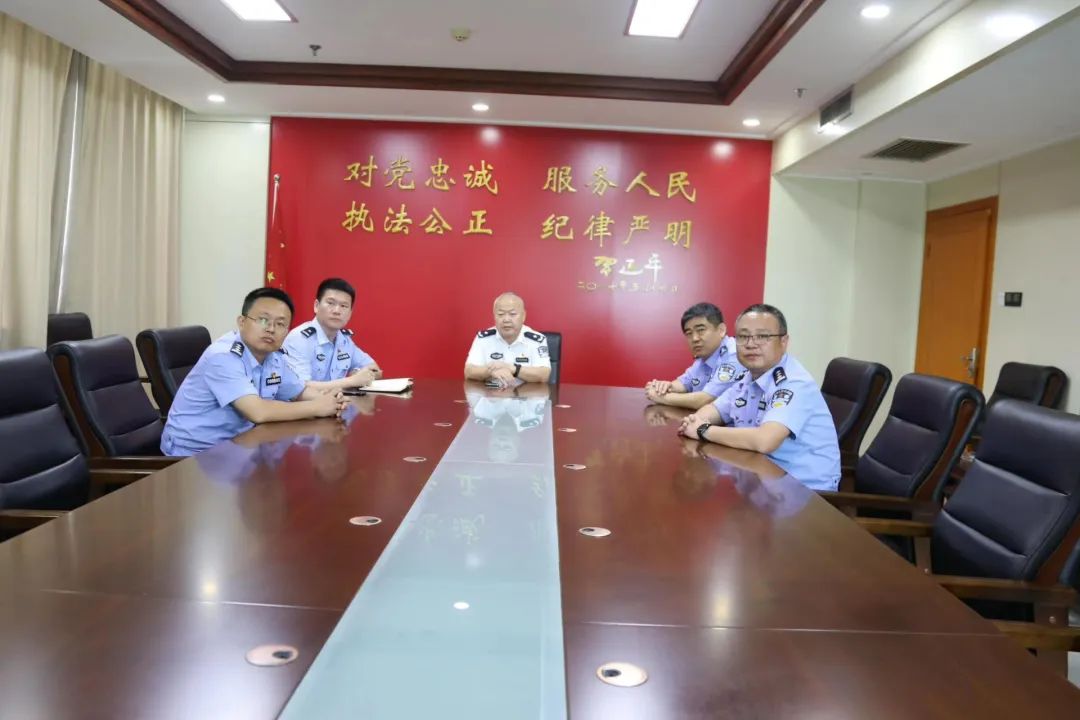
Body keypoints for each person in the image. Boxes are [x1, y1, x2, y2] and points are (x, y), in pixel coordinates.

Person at [161, 287, 347, 456]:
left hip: (239, 445)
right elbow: (257, 411)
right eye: (263, 320)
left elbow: (299, 392)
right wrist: (318, 407)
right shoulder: (223, 356)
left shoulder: (274, 356)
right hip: (194, 454)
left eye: (280, 324)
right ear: (242, 322)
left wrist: (333, 401)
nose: (271, 329)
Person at [678, 303, 840, 491]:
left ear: (784, 342)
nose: (751, 344)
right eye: (743, 336)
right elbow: (714, 409)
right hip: (759, 476)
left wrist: (703, 429)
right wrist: (695, 421)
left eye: (762, 336)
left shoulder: (794, 382)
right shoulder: (749, 377)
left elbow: (765, 441)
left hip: (804, 491)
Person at [283, 277, 382, 392]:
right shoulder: (299, 339)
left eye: (343, 306)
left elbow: (375, 369)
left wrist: (359, 373)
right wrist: (352, 381)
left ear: (350, 313)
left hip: (335, 402)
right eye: (330, 303)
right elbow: (300, 388)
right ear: (316, 306)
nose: (336, 311)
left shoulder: (344, 340)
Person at [645, 302, 745, 410]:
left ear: (721, 330)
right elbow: (683, 383)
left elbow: (705, 400)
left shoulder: (734, 355)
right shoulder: (705, 356)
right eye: (689, 333)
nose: (694, 338)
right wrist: (663, 387)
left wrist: (662, 397)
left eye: (701, 330)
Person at [464, 292, 551, 387]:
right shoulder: (483, 339)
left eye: (512, 314)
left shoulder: (536, 340)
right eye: (500, 314)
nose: (506, 319)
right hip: (491, 394)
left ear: (523, 316)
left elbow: (544, 375)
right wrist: (490, 371)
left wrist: (513, 369)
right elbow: (469, 371)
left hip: (525, 395)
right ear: (494, 316)